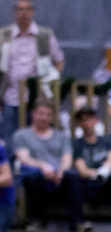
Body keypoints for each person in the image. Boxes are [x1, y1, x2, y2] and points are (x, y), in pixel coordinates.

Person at [0, 1, 64, 147]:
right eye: (20, 9)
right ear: (15, 12)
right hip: (10, 96)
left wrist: (50, 80)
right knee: (9, 139)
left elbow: (59, 61)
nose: (24, 13)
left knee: (37, 140)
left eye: (27, 9)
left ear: (32, 12)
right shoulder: (4, 34)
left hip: (37, 97)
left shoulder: (44, 35)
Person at [12, 99, 80, 232]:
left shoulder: (61, 136)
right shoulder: (22, 135)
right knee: (32, 177)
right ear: (33, 114)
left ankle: (78, 224)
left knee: (73, 175)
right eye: (40, 113)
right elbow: (24, 158)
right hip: (36, 178)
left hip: (59, 178)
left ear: (52, 117)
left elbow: (67, 157)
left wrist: (61, 171)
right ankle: (37, 222)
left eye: (47, 115)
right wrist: (42, 166)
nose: (44, 118)